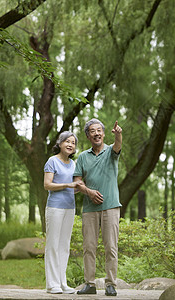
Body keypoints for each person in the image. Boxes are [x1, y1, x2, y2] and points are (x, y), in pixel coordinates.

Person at [74, 118, 122, 296]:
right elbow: (77, 182)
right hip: (89, 209)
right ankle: (90, 284)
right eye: (92, 131)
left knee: (111, 247)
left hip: (110, 207)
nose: (96, 133)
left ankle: (111, 284)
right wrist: (89, 192)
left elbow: (117, 145)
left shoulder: (111, 151)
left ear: (103, 132)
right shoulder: (83, 157)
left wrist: (118, 135)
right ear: (88, 135)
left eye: (99, 130)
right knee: (89, 247)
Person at [43, 131, 80, 294]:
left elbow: (73, 187)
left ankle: (62, 282)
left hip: (69, 208)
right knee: (53, 244)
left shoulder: (73, 164)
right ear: (59, 143)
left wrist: (77, 188)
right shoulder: (52, 161)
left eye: (73, 142)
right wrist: (68, 185)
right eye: (67, 141)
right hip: (55, 207)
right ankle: (52, 284)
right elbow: (47, 185)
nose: (70, 145)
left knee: (64, 246)